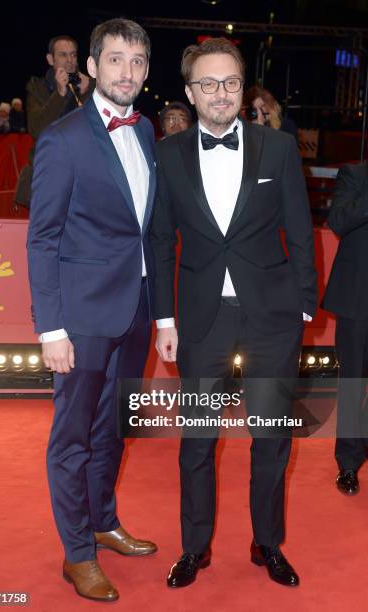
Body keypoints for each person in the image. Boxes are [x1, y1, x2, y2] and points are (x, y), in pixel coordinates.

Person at [151, 37, 317, 589]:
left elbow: (299, 229)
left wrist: (304, 303)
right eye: (207, 83)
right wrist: (164, 320)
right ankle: (194, 547)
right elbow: (159, 239)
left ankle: (267, 542)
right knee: (197, 441)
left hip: (272, 317)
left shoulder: (278, 148)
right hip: (200, 320)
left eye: (229, 82)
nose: (219, 93)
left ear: (242, 89)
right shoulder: (168, 153)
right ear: (190, 92)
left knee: (271, 438)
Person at [27, 18, 157, 602]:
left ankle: (103, 522)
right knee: (73, 437)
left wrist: (161, 314)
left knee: (111, 431)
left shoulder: (148, 130)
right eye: (115, 60)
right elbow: (43, 238)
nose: (126, 71)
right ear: (93, 67)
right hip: (78, 319)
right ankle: (76, 552)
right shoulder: (62, 138)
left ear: (146, 71)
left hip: (134, 312)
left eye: (136, 61)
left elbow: (141, 230)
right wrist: (51, 328)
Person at [322, 162, 368, 495]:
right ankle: (349, 462)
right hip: (358, 299)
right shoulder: (356, 175)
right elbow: (337, 222)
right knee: (354, 382)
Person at [14, 34, 94, 207]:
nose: (69, 60)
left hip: (81, 181)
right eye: (63, 55)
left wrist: (87, 93)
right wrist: (60, 94)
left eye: (73, 54)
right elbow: (37, 130)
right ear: (51, 59)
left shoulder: (90, 87)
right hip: (46, 180)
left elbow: (98, 128)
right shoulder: (37, 88)